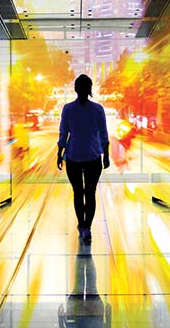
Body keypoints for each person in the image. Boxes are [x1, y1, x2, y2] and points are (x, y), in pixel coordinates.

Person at [57, 74, 109, 244]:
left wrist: (59, 153)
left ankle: (82, 225)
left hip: (73, 157)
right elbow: (103, 133)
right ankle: (87, 227)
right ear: (90, 89)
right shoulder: (98, 109)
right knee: (90, 193)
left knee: (78, 193)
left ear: (75, 89)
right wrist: (106, 155)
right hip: (94, 157)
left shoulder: (68, 109)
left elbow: (64, 133)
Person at [58, 242, 111, 327]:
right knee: (84, 284)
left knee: (86, 284)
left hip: (90, 318)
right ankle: (85, 248)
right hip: (88, 317)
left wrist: (108, 317)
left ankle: (85, 248)